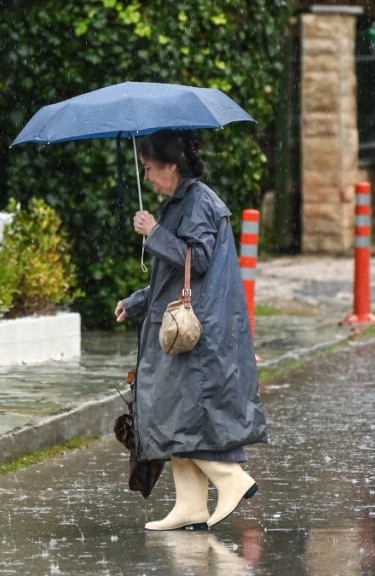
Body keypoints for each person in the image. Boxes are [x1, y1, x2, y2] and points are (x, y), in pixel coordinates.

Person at [114, 130, 268, 531]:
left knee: (175, 414)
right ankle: (191, 505)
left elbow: (195, 261)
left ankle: (232, 481)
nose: (147, 177)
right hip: (190, 325)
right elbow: (173, 277)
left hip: (200, 333)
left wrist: (154, 232)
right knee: (176, 415)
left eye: (150, 169)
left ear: (172, 166)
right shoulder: (180, 202)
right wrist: (135, 302)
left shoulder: (199, 203)